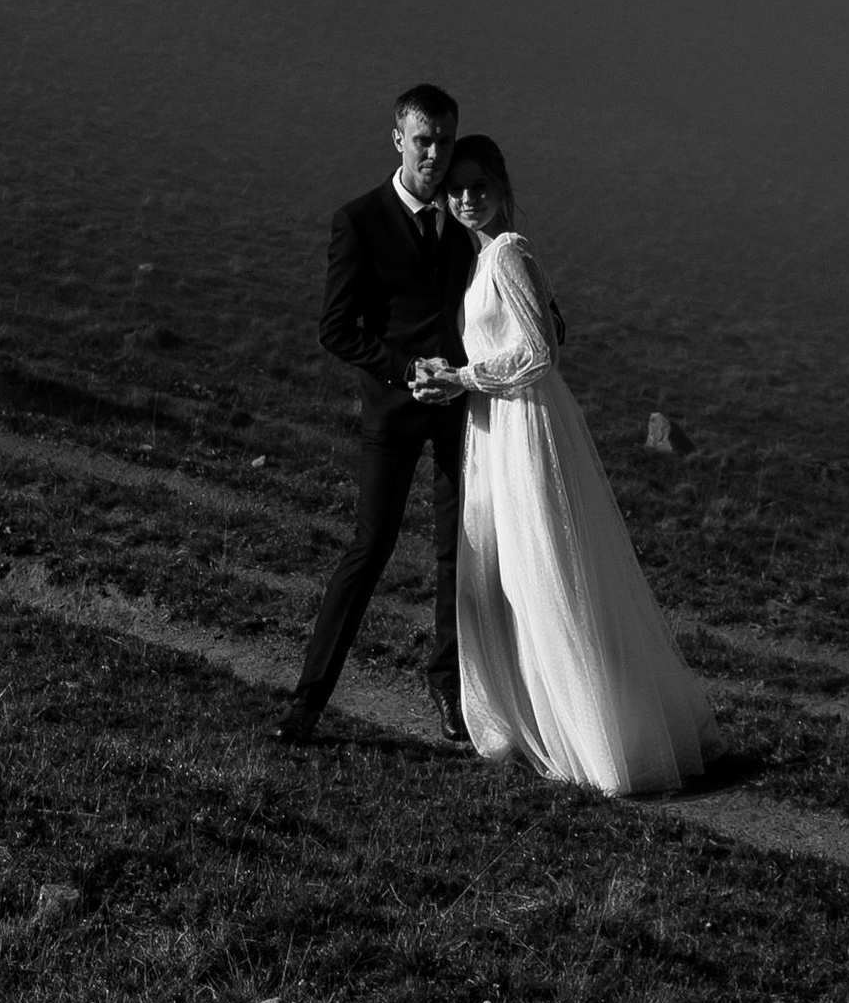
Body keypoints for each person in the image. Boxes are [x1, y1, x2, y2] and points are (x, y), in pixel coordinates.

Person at [413, 135, 714, 796]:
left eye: (479, 185)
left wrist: (462, 375)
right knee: (511, 575)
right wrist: (450, 374)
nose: (466, 197)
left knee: (543, 570)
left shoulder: (509, 252)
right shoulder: (480, 258)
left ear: (501, 187)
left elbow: (539, 349)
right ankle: (543, 722)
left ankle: (601, 735)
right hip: (498, 426)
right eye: (456, 187)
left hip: (525, 426)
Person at [277, 83, 477, 747]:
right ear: (397, 139)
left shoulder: (470, 221)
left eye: (445, 140)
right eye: (423, 140)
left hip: (461, 416)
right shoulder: (357, 220)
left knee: (461, 555)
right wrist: (402, 368)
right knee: (369, 548)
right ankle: (309, 699)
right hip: (392, 414)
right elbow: (336, 329)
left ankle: (449, 693)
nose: (435, 153)